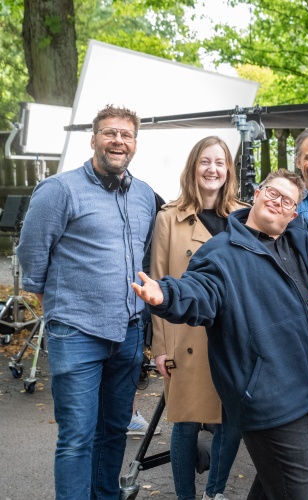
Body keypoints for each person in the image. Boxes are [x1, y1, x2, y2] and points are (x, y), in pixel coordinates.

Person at [133, 169, 308, 500]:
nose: (277, 203)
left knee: (272, 482)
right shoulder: (220, 253)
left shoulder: (294, 241)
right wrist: (165, 297)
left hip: (303, 387)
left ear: (294, 213)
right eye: (272, 193)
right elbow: (199, 293)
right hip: (268, 397)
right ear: (258, 193)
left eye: (287, 200)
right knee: (299, 490)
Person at [17, 105, 156, 498]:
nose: (118, 141)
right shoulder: (60, 190)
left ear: (134, 144)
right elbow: (33, 254)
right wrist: (57, 307)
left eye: (126, 135)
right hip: (76, 332)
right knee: (77, 437)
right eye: (110, 133)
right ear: (93, 139)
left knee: (114, 430)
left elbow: (144, 253)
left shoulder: (144, 194)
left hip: (128, 332)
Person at [150, 136, 246, 500]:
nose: (212, 169)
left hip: (232, 335)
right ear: (193, 168)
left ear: (228, 170)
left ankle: (214, 493)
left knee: (231, 420)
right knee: (186, 423)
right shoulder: (168, 219)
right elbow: (157, 286)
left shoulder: (242, 216)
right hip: (185, 336)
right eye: (205, 162)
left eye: (220, 163)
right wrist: (159, 347)